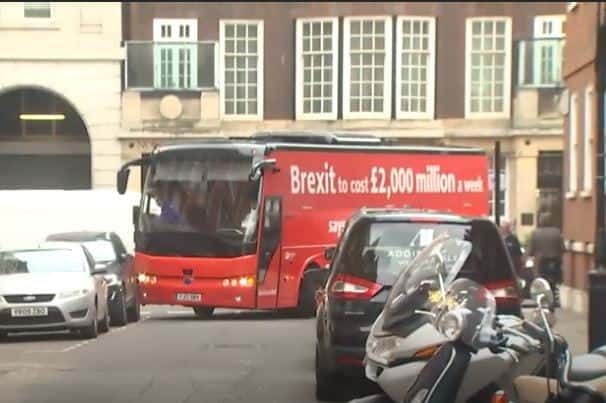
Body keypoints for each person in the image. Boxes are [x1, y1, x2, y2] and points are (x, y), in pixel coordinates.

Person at [526, 213, 565, 308]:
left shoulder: (535, 233)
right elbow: (562, 248)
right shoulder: (557, 232)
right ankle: (554, 299)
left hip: (541, 262)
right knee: (554, 282)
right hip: (555, 261)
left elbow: (531, 250)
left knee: (540, 282)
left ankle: (542, 301)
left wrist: (529, 255)